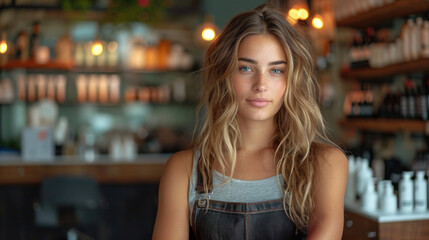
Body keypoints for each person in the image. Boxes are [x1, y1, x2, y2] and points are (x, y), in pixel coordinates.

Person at [153, 3, 348, 240]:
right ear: (224, 75)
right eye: (246, 68)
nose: (261, 84)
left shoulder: (324, 165)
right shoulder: (184, 170)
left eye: (276, 71)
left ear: (291, 81)